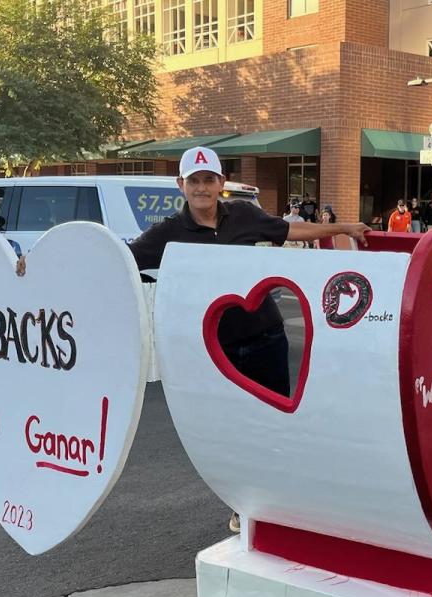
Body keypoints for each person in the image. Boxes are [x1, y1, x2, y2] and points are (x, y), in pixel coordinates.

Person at [127, 146, 368, 533]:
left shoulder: (242, 215)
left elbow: (289, 230)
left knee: (278, 424)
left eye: (209, 180)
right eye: (194, 181)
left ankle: (286, 502)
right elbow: (121, 259)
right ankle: (246, 505)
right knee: (236, 430)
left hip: (268, 336)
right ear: (181, 185)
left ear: (221, 183)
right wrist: (43, 264)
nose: (202, 188)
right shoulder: (168, 234)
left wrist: (341, 228)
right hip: (220, 351)